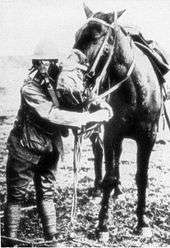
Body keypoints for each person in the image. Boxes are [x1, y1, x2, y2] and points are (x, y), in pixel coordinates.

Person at [3, 39, 113, 247]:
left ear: (54, 63)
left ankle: (51, 239)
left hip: (49, 151)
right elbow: (53, 114)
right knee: (16, 196)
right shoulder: (29, 89)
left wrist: (102, 105)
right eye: (40, 62)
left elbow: (82, 95)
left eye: (49, 61)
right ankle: (10, 240)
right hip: (24, 150)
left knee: (47, 194)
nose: (44, 66)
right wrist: (91, 118)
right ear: (35, 64)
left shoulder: (61, 86)